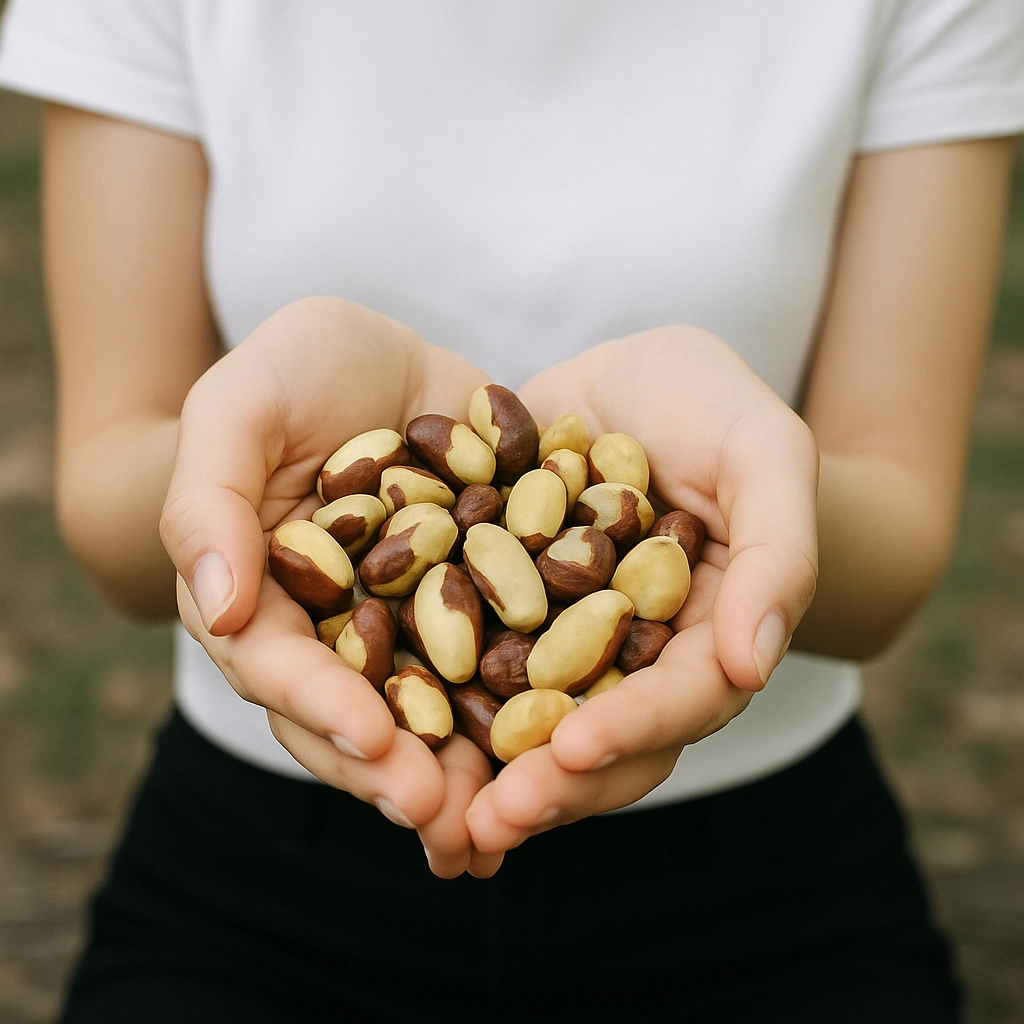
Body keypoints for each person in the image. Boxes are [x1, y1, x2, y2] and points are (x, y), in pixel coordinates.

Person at [1, 1, 1022, 1021]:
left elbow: (892, 552)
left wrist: (761, 500)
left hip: (764, 880)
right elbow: (111, 522)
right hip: (253, 868)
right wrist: (231, 475)